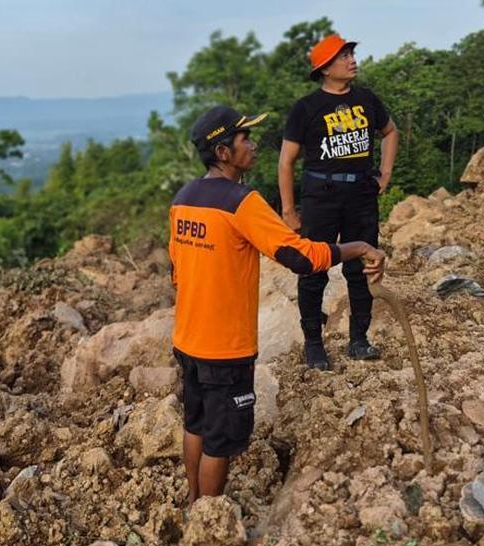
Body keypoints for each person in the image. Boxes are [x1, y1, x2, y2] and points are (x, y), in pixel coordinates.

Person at [170, 104, 386, 504]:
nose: (253, 146)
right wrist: (356, 246)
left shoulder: (183, 199)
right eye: (244, 140)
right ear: (223, 153)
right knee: (220, 440)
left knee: (196, 423)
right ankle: (207, 516)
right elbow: (299, 257)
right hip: (225, 348)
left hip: (187, 339)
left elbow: (177, 271)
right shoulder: (242, 202)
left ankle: (193, 501)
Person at [278, 34, 399, 370]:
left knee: (361, 267)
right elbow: (286, 161)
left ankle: (359, 339)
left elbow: (390, 132)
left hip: (360, 194)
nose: (351, 59)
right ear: (325, 69)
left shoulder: (367, 99)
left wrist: (385, 175)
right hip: (321, 196)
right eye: (343, 56)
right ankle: (313, 345)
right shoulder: (306, 108)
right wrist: (289, 211)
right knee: (314, 268)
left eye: (351, 54)